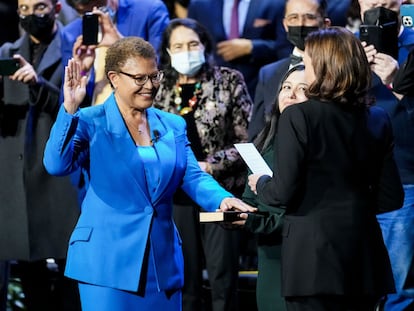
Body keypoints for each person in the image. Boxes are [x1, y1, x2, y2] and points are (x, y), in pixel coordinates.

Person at [43, 36, 256, 311]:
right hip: (107, 263)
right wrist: (69, 109)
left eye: (154, 77)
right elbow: (56, 165)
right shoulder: (89, 121)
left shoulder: (172, 124)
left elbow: (192, 175)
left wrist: (221, 200)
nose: (150, 86)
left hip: (161, 262)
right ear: (114, 78)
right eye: (139, 78)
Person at [246, 27, 404, 311]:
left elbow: (282, 193)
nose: (303, 71)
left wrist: (262, 183)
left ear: (322, 67)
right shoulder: (378, 118)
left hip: (312, 263)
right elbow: (391, 198)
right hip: (364, 262)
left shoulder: (298, 116)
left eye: (306, 64)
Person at [154, 18, 252, 311]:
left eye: (193, 44)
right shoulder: (157, 87)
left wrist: (211, 166)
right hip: (176, 199)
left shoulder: (229, 80)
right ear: (168, 51)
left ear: (205, 45)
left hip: (220, 195)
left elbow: (249, 143)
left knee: (223, 280)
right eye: (179, 46)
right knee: (186, 280)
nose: (187, 51)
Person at [0, 0, 81, 310]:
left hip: (59, 165)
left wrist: (38, 82)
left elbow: (77, 106)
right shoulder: (7, 52)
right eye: (23, 8)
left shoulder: (74, 50)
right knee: (29, 265)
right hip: (18, 170)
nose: (30, 15)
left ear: (57, 7)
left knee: (68, 263)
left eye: (39, 7)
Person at [358, 0, 414, 309]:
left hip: (404, 178)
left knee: (398, 288)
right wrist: (352, 69)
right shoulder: (345, 48)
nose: (378, 4)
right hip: (351, 182)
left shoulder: (413, 47)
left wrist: (397, 80)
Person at [241, 64, 308, 311]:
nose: (290, 95)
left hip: (306, 260)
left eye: (303, 89)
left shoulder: (319, 145)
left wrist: (256, 222)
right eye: (286, 87)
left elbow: (308, 212)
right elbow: (251, 199)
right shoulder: (265, 142)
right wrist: (235, 210)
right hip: (270, 258)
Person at [248, 0, 330, 141]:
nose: (300, 24)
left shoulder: (337, 71)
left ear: (326, 24)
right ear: (285, 24)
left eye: (309, 17)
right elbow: (256, 134)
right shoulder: (268, 73)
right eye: (294, 18)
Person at [61, 0, 170, 106]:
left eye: (98, 4)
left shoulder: (150, 10)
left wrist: (123, 44)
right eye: (85, 12)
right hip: (93, 117)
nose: (94, 11)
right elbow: (66, 103)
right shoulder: (70, 34)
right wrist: (82, 73)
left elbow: (162, 69)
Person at [187, 0, 292, 99]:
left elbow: (285, 48)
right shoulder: (199, 4)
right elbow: (189, 44)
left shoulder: (276, 3)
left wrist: (252, 47)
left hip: (259, 90)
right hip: (211, 93)